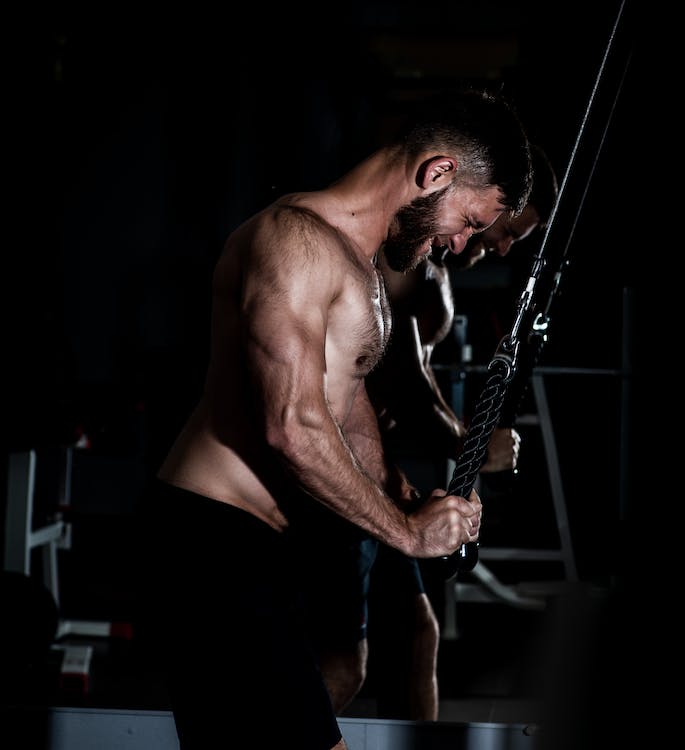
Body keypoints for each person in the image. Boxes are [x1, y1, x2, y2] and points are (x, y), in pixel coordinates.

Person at [135, 87, 533, 750]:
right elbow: (290, 422)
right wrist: (405, 533)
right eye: (467, 219)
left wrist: (394, 489)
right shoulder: (292, 240)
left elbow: (343, 406)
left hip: (260, 546)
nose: (463, 244)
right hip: (211, 540)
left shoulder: (361, 265)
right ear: (436, 173)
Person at [364, 144, 560, 721]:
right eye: (501, 228)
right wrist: (469, 444)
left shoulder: (437, 271)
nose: (500, 245)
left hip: (374, 467)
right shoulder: (412, 260)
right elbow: (402, 374)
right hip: (339, 471)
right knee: (349, 659)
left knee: (414, 635)